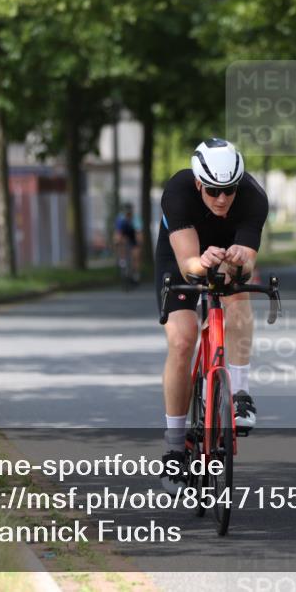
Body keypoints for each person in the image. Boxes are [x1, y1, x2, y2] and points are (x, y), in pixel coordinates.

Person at [155, 138, 268, 492]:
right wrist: (201, 262)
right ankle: (175, 449)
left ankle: (241, 394)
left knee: (238, 300)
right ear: (199, 184)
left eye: (229, 190)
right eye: (214, 191)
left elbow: (247, 266)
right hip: (181, 256)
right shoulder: (178, 192)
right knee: (183, 339)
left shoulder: (253, 197)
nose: (222, 199)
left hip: (228, 255)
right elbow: (189, 264)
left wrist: (238, 262)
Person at [114, 203, 140, 284]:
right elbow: (118, 232)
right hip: (124, 234)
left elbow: (138, 232)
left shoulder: (136, 218)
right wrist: (117, 242)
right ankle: (122, 259)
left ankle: (135, 273)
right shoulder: (120, 218)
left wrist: (139, 243)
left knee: (136, 254)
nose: (128, 213)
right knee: (119, 241)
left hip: (132, 235)